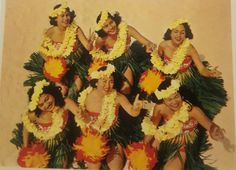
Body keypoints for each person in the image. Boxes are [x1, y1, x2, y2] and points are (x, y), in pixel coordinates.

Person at [142, 77, 232, 170]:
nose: (174, 102)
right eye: (169, 99)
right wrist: (144, 146)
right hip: (165, 139)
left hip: (184, 144)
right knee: (147, 161)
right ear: (163, 101)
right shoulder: (160, 108)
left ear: (181, 95)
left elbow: (210, 126)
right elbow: (152, 128)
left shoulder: (192, 110)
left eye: (176, 96)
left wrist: (215, 131)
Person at [149, 18, 227, 120]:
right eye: (176, 31)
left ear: (186, 34)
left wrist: (209, 73)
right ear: (170, 33)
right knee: (165, 102)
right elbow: (157, 63)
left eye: (182, 32)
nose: (179, 35)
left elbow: (202, 69)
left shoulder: (189, 48)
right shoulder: (163, 45)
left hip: (187, 79)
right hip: (169, 78)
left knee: (188, 106)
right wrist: (151, 81)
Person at [73, 64, 143, 170]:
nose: (108, 85)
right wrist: (82, 116)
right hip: (92, 137)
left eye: (111, 81)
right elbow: (83, 118)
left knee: (116, 166)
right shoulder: (87, 95)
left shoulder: (117, 97)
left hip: (112, 136)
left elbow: (131, 111)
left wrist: (136, 109)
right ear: (96, 82)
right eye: (104, 81)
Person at [24, 1, 93, 98]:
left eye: (68, 15)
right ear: (56, 18)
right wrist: (52, 63)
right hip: (59, 67)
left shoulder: (75, 29)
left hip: (76, 65)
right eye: (62, 15)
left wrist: (90, 45)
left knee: (76, 89)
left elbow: (87, 46)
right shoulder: (50, 32)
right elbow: (42, 50)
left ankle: (71, 106)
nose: (66, 18)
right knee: (59, 91)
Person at [10, 79, 85, 168]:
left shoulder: (64, 103)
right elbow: (27, 126)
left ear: (51, 92)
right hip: (41, 148)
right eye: (41, 105)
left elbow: (77, 111)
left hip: (60, 147)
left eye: (47, 99)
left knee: (61, 165)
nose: (46, 105)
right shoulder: (35, 115)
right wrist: (25, 145)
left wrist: (79, 113)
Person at [90, 11, 156, 94]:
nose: (110, 27)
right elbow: (95, 55)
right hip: (116, 65)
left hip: (132, 57)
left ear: (115, 20)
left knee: (149, 76)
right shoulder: (101, 39)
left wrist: (150, 46)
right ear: (101, 29)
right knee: (125, 84)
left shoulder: (127, 29)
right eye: (106, 26)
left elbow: (146, 42)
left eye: (111, 22)